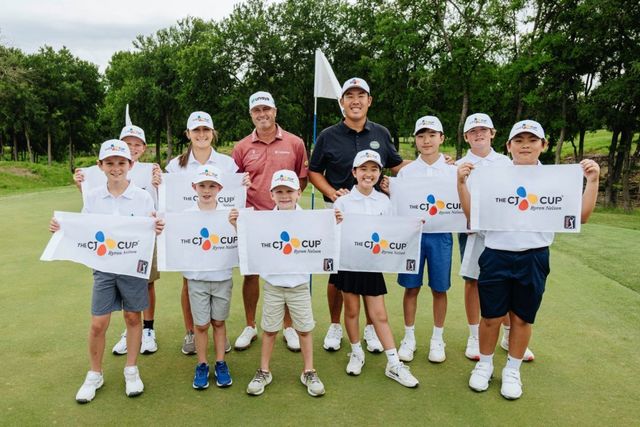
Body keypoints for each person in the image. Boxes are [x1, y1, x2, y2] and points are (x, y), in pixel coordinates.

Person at [457, 119, 600, 399]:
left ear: (543, 145)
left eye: (532, 140)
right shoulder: (493, 176)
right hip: (496, 254)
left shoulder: (555, 179)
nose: (525, 145)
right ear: (508, 146)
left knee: (522, 318)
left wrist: (592, 181)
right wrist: (461, 183)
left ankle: (512, 370)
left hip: (534, 256)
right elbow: (473, 216)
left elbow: (581, 216)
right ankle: (484, 365)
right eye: (519, 141)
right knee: (491, 317)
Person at [50, 139, 164, 403]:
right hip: (103, 268)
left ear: (130, 165)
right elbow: (83, 227)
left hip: (132, 268)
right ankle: (95, 374)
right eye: (110, 163)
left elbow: (150, 228)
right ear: (100, 165)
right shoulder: (92, 197)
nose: (116, 168)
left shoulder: (142, 197)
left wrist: (156, 226)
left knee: (133, 318)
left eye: (121, 162)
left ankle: (131, 370)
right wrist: (61, 227)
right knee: (98, 323)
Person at [309, 77, 409, 353]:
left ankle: (370, 328)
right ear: (342, 102)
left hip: (373, 211)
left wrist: (432, 163)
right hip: (339, 211)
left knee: (370, 269)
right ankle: (335, 325)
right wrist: (332, 193)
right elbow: (314, 171)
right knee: (337, 274)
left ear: (369, 101)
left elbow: (397, 165)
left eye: (361, 95)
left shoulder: (381, 133)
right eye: (350, 96)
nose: (355, 101)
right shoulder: (328, 135)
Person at [229, 170, 325, 397]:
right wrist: (235, 225)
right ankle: (264, 371)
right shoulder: (264, 220)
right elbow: (251, 241)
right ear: (271, 195)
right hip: (273, 285)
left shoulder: (310, 219)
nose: (284, 196)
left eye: (289, 191)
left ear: (298, 193)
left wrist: (335, 223)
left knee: (304, 330)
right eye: (279, 191)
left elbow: (325, 238)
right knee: (270, 330)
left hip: (299, 286)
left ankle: (309, 371)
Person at [73, 107, 162, 355]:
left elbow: (161, 202)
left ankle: (148, 329)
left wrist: (160, 184)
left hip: (143, 239)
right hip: (112, 245)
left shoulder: (152, 170)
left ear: (143, 148)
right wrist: (81, 186)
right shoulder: (105, 167)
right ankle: (129, 331)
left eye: (137, 144)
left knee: (146, 284)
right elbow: (92, 204)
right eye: (127, 143)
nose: (132, 147)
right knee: (121, 290)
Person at [332, 150, 419, 388]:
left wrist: (413, 226)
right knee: (351, 311)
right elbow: (332, 232)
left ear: (380, 173)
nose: (368, 174)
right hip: (349, 265)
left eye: (374, 169)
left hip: (372, 266)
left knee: (379, 315)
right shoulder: (342, 201)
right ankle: (356, 352)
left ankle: (394, 363)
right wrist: (334, 221)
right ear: (354, 172)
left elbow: (393, 230)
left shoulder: (384, 201)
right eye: (363, 169)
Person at [231, 92, 309, 352]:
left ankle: (288, 326)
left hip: (286, 219)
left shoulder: (295, 142)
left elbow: (301, 179)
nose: (262, 114)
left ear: (275, 111)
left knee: (286, 271)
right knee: (251, 273)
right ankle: (250, 325)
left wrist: (286, 206)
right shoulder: (241, 147)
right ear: (251, 114)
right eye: (257, 110)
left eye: (266, 109)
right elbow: (234, 185)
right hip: (254, 220)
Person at [456, 113, 534, 361]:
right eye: (473, 131)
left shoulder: (507, 162)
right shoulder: (457, 165)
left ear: (493, 134)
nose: (478, 134)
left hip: (503, 234)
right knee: (472, 281)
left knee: (508, 283)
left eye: (483, 129)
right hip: (472, 233)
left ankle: (509, 335)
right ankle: (474, 336)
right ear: (466, 137)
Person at [166, 111, 245, 355]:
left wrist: (244, 186)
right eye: (196, 130)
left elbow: (235, 196)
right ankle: (191, 331)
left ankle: (220, 332)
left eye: (206, 130)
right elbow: (167, 200)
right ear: (188, 134)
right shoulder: (175, 165)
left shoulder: (227, 164)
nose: (201, 134)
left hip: (219, 232)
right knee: (189, 281)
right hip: (188, 233)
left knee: (219, 276)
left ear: (213, 133)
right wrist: (158, 184)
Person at [391, 116, 456, 363]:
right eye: (421, 136)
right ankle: (409, 338)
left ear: (441, 138)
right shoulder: (406, 173)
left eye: (431, 135)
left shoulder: (453, 170)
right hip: (413, 237)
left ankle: (437, 339)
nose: (426, 140)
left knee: (440, 288)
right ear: (415, 140)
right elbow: (398, 206)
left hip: (441, 236)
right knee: (411, 287)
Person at [183, 165, 233, 389]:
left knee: (219, 322)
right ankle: (202, 364)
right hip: (197, 279)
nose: (206, 190)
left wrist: (237, 224)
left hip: (222, 277)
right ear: (194, 187)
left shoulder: (229, 214)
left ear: (219, 188)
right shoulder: (185, 216)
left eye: (212, 186)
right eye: (202, 185)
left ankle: (220, 362)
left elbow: (241, 239)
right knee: (201, 325)